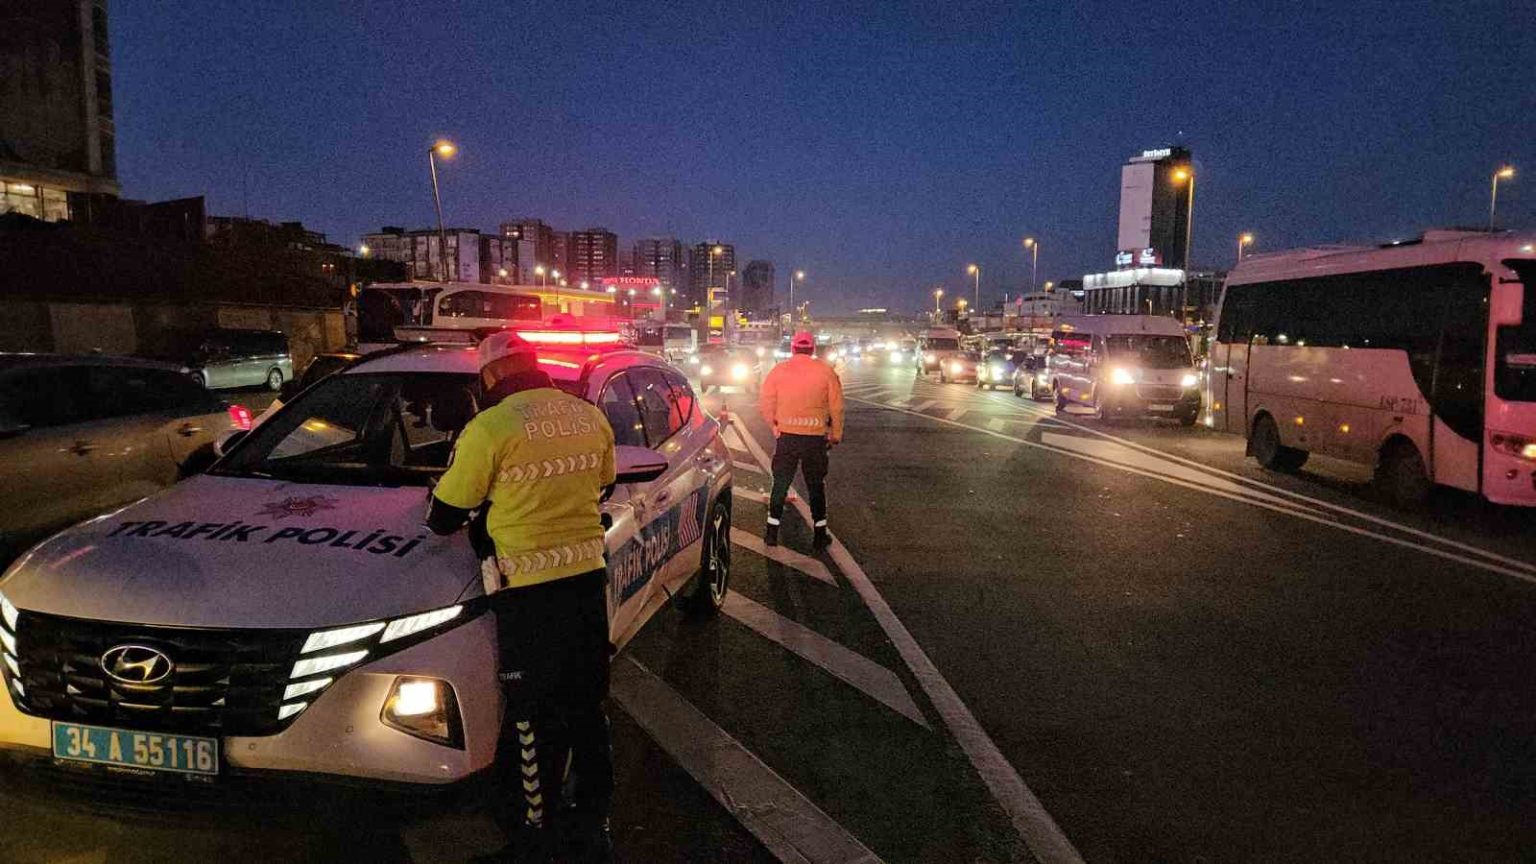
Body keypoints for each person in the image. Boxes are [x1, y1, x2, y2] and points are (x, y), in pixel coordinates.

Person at [427, 331, 617, 863]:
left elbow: (444, 515)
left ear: (490, 375)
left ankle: (536, 835)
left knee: (531, 714)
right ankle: (595, 821)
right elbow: (603, 484)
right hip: (586, 582)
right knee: (586, 704)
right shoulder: (587, 415)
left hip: (528, 593)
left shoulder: (490, 427)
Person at [758, 330, 845, 550]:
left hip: (787, 437)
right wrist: (835, 434)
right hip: (815, 438)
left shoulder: (779, 371)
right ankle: (819, 534)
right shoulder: (826, 372)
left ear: (793, 348)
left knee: (780, 483)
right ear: (813, 349)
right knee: (815, 485)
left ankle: (771, 532)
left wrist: (774, 427)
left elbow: (766, 403)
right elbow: (837, 407)